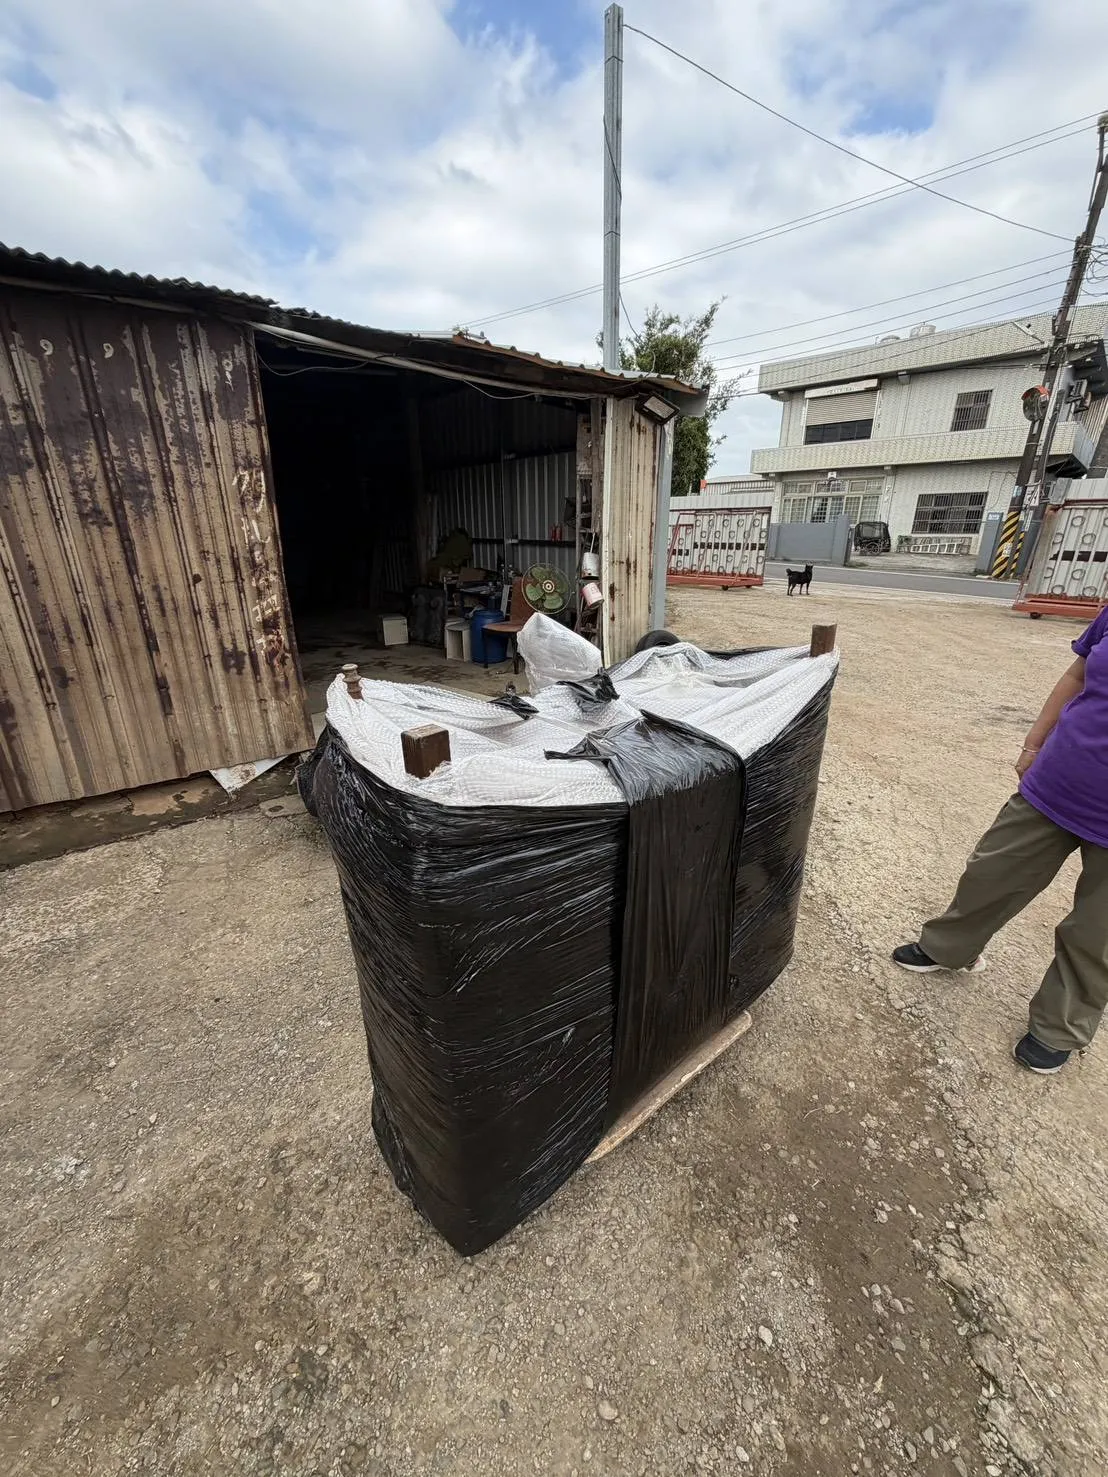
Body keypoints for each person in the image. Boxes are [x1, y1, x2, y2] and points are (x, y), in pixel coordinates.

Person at [893, 605, 1108, 1074]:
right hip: (1060, 781)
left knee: (1097, 932)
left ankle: (1059, 1026)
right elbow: (1077, 674)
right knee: (991, 872)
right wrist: (1035, 743)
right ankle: (950, 947)